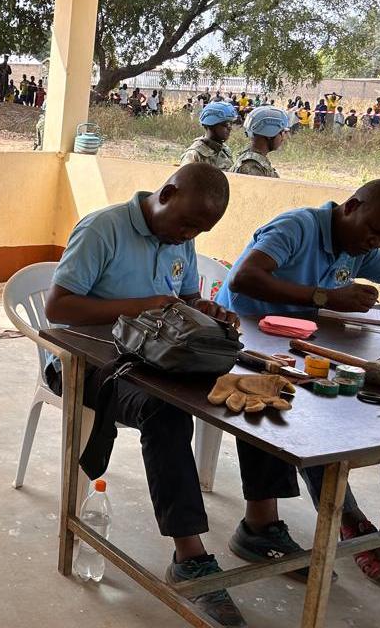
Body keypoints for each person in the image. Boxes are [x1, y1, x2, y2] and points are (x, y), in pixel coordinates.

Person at [46, 163, 303, 628]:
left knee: (250, 386)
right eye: (186, 225)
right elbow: (59, 307)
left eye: (199, 231)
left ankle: (260, 523)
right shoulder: (102, 229)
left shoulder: (180, 234)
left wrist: (203, 309)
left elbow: (181, 299)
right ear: (166, 194)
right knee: (164, 412)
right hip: (87, 361)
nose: (188, 236)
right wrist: (143, 305)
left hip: (155, 356)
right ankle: (190, 557)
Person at [215, 179, 380, 583]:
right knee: (306, 407)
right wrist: (324, 297)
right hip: (248, 339)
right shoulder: (297, 227)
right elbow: (243, 278)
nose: (376, 242)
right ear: (351, 206)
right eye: (374, 231)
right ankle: (341, 519)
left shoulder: (360, 246)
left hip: (306, 343)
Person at [230, 106, 287, 178]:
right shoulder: (252, 166)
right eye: (281, 132)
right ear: (270, 134)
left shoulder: (254, 158)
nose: (283, 137)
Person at [180, 102, 238, 170]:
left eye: (231, 123)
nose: (230, 128)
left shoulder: (225, 150)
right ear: (211, 125)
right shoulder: (194, 154)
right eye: (226, 124)